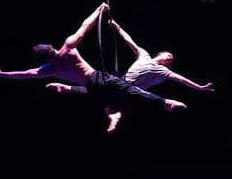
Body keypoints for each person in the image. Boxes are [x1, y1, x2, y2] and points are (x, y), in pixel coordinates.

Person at [0, 3, 187, 133]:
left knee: (105, 99)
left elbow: (25, 74)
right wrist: (99, 10)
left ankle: (111, 115)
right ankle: (165, 102)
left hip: (92, 88)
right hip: (98, 78)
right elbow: (85, 26)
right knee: (130, 90)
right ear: (51, 47)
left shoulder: (48, 69)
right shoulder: (68, 48)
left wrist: (2, 74)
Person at [45, 18, 213, 132]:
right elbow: (128, 40)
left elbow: (182, 80)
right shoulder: (144, 55)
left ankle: (160, 104)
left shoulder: (165, 72)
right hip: (121, 83)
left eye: (171, 59)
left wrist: (199, 87)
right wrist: (117, 27)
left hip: (131, 93)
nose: (170, 58)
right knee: (100, 92)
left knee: (111, 97)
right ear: (160, 54)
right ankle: (108, 111)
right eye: (169, 55)